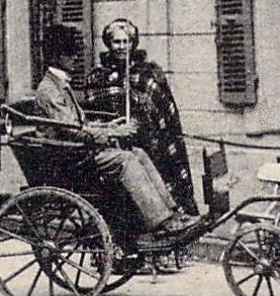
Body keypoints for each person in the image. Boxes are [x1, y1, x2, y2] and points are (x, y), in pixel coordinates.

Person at [32, 25, 201, 248]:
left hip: (78, 150)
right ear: (58, 56)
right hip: (71, 157)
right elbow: (71, 130)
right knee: (126, 159)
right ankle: (161, 221)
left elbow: (79, 124)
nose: (75, 59)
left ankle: (172, 213)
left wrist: (110, 124)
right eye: (70, 55)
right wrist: (113, 132)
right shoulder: (49, 89)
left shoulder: (60, 84)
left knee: (137, 152)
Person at [85, 19, 198, 216]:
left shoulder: (147, 74)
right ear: (109, 44)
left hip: (149, 141)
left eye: (126, 41)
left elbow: (164, 111)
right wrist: (114, 129)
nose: (121, 47)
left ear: (133, 43)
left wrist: (144, 127)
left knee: (157, 171)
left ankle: (171, 215)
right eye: (116, 42)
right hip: (113, 144)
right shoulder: (97, 77)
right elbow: (91, 115)